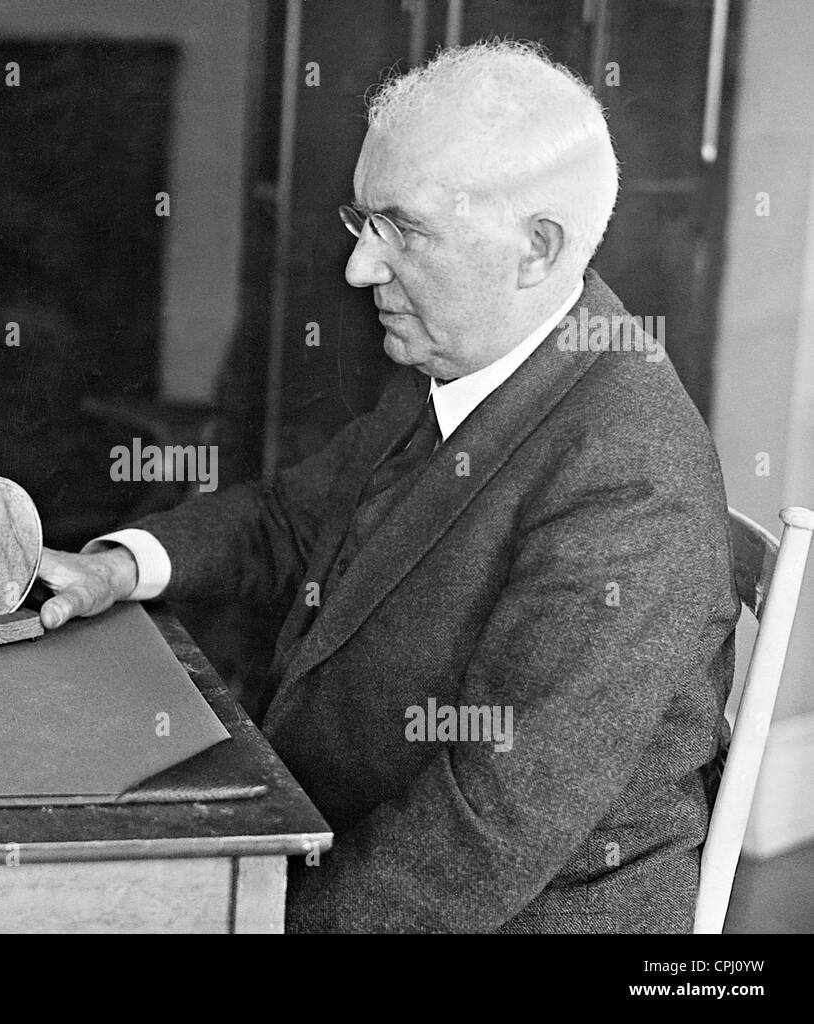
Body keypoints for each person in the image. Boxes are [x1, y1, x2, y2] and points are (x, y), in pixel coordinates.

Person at [36, 41, 737, 933]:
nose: (360, 269)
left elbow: (485, 833)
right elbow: (293, 517)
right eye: (362, 222)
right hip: (345, 841)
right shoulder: (469, 355)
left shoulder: (631, 477)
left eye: (403, 230)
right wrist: (119, 567)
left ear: (536, 250)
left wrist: (252, 924)